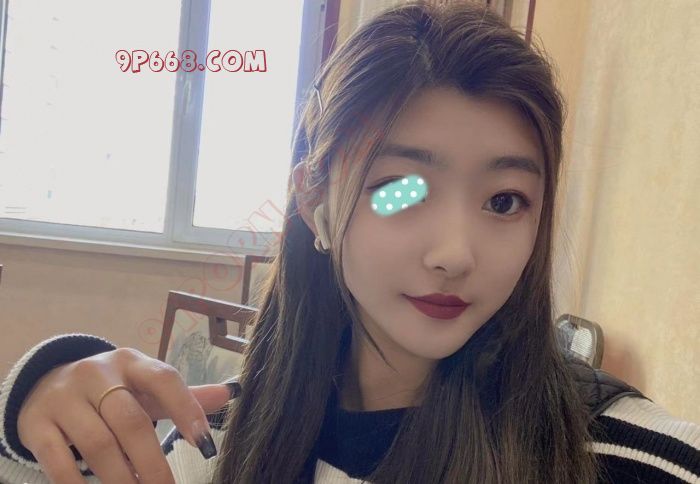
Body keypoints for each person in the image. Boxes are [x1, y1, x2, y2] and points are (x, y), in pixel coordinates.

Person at [1, 2, 699, 483]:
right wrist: (32, 404)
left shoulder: (621, 457)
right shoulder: (217, 441)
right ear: (315, 202)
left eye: (504, 201)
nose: (455, 253)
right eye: (401, 191)